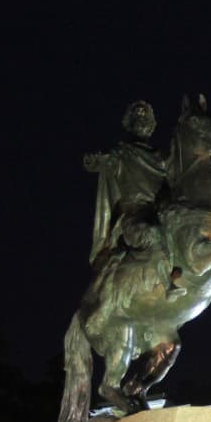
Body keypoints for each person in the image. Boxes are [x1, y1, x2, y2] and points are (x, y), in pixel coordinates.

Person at [85, 100, 185, 299]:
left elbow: (179, 178)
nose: (142, 120)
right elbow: (104, 162)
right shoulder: (122, 154)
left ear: (151, 124)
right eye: (137, 117)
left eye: (145, 117)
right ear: (129, 123)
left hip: (159, 214)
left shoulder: (161, 158)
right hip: (132, 220)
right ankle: (168, 285)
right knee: (154, 232)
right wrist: (95, 160)